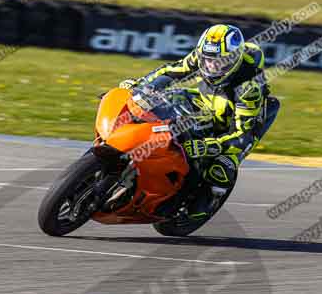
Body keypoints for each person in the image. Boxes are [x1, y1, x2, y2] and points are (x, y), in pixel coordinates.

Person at [118, 24, 280, 218]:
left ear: (234, 61)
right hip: (206, 98)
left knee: (222, 168)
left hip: (239, 121)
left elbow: (241, 135)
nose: (212, 67)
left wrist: (208, 146)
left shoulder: (248, 87)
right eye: (208, 61)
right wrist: (141, 86)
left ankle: (204, 202)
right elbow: (171, 71)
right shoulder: (201, 55)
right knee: (166, 101)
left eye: (220, 63)